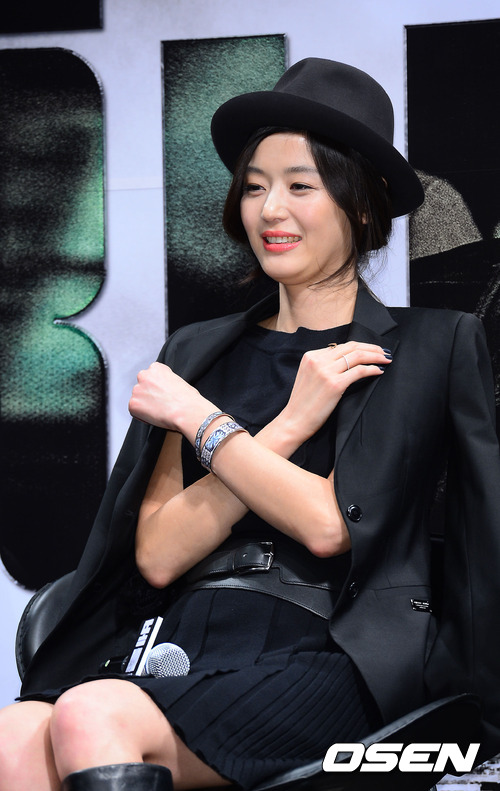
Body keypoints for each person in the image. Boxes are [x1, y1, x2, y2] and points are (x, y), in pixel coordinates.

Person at [1, 57, 500, 791]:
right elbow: (159, 555)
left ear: (363, 205)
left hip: (328, 647)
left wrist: (200, 418)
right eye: (256, 187)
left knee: (90, 715)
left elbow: (331, 525)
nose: (270, 210)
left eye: (300, 186)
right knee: (13, 736)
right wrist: (287, 425)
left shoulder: (429, 346)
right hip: (183, 633)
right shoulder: (197, 352)